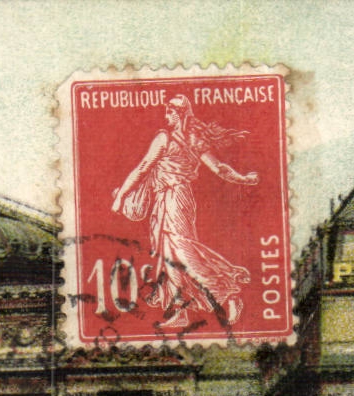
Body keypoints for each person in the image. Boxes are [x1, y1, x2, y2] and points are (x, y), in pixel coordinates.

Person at [110, 95, 259, 328]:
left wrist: (120, 196)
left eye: (169, 112)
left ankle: (227, 295)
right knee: (168, 255)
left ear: (178, 113)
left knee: (182, 252)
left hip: (173, 198)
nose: (166, 117)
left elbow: (142, 168)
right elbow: (219, 168)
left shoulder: (165, 138)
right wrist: (243, 178)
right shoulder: (193, 139)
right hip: (171, 199)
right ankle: (179, 310)